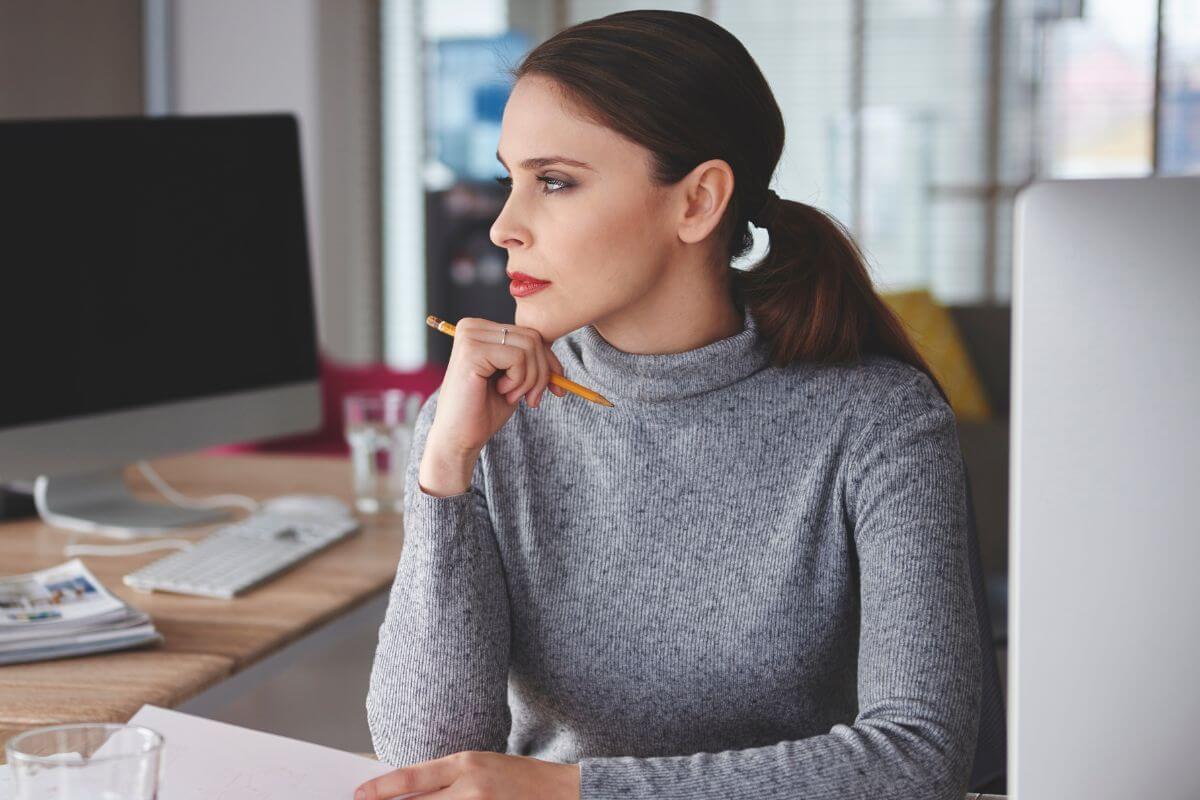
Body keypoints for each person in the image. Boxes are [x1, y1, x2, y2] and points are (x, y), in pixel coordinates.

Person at [358, 9, 980, 800]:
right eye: (507, 180)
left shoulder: (880, 422)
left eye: (554, 181)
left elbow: (919, 758)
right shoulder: (479, 420)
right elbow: (428, 761)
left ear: (697, 202)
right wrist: (444, 472)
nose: (505, 227)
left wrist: (573, 791)